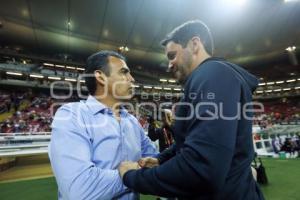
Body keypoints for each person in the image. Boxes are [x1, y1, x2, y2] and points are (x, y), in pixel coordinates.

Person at [118, 20, 265, 200]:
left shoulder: (212, 74)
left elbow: (200, 168)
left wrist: (131, 177)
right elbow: (190, 142)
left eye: (172, 55)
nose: (169, 65)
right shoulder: (212, 77)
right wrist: (161, 159)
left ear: (195, 44)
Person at [49, 50, 157, 200]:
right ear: (100, 77)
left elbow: (156, 162)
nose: (132, 79)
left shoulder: (132, 122)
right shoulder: (72, 115)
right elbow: (80, 191)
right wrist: (132, 175)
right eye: (124, 72)